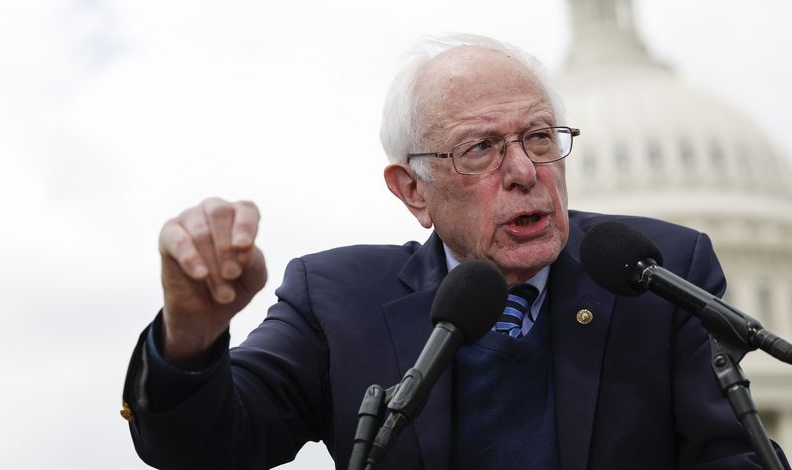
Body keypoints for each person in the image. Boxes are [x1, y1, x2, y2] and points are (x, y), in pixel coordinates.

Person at [122, 34, 788, 469]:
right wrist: (192, 334)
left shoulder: (658, 271)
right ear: (413, 190)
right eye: (480, 148)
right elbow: (205, 444)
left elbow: (730, 457)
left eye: (538, 137)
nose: (525, 170)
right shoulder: (336, 298)